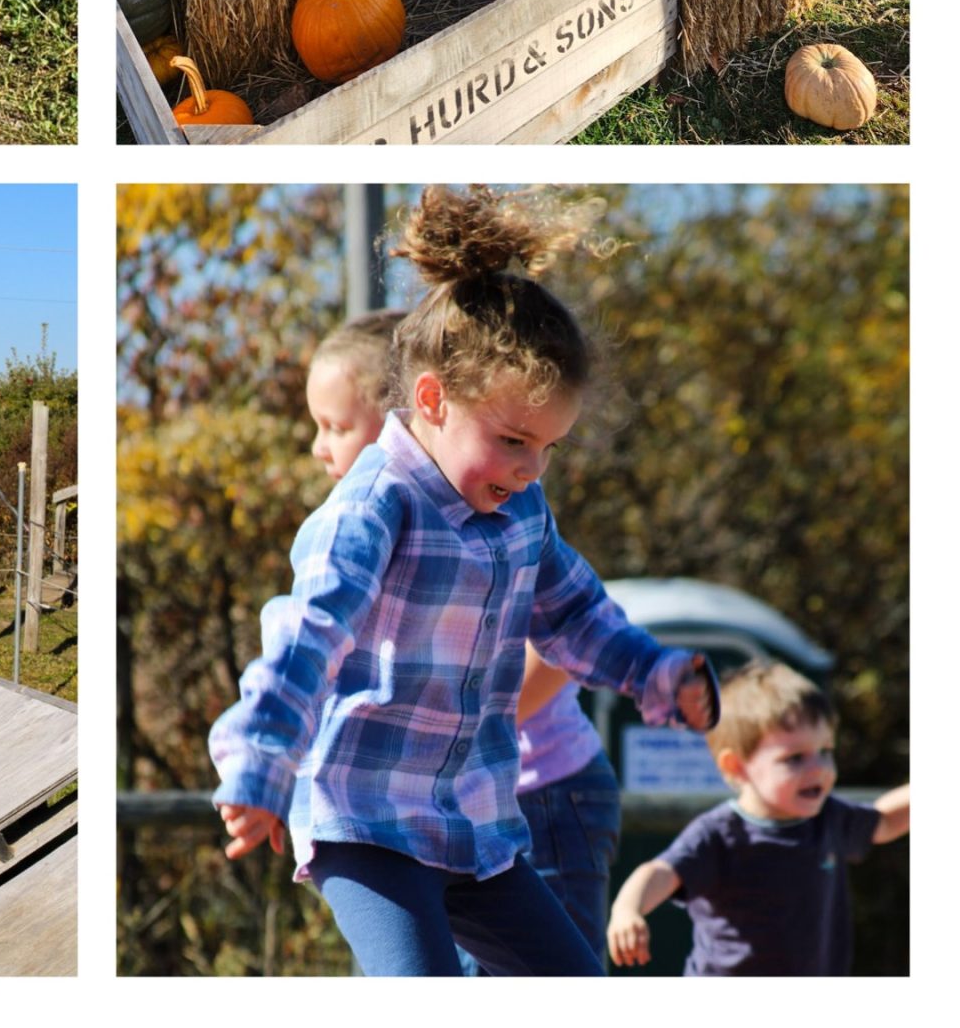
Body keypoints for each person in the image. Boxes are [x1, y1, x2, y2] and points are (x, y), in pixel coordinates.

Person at [211, 187, 719, 976]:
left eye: (548, 448)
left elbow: (574, 613)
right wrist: (259, 764)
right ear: (430, 400)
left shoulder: (522, 511)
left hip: (476, 823)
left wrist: (653, 671)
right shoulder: (374, 508)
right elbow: (307, 636)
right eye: (515, 440)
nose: (530, 469)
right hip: (369, 821)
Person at [301, 307, 625, 969]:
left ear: (415, 413)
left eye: (337, 427)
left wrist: (467, 726)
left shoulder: (494, 511)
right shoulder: (360, 525)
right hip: (410, 811)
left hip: (538, 788)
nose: (319, 447)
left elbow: (565, 633)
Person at [607, 660, 908, 973]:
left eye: (826, 751)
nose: (819, 767)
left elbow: (884, 820)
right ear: (736, 767)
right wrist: (628, 909)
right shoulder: (720, 834)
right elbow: (660, 871)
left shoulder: (828, 818)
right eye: (794, 758)